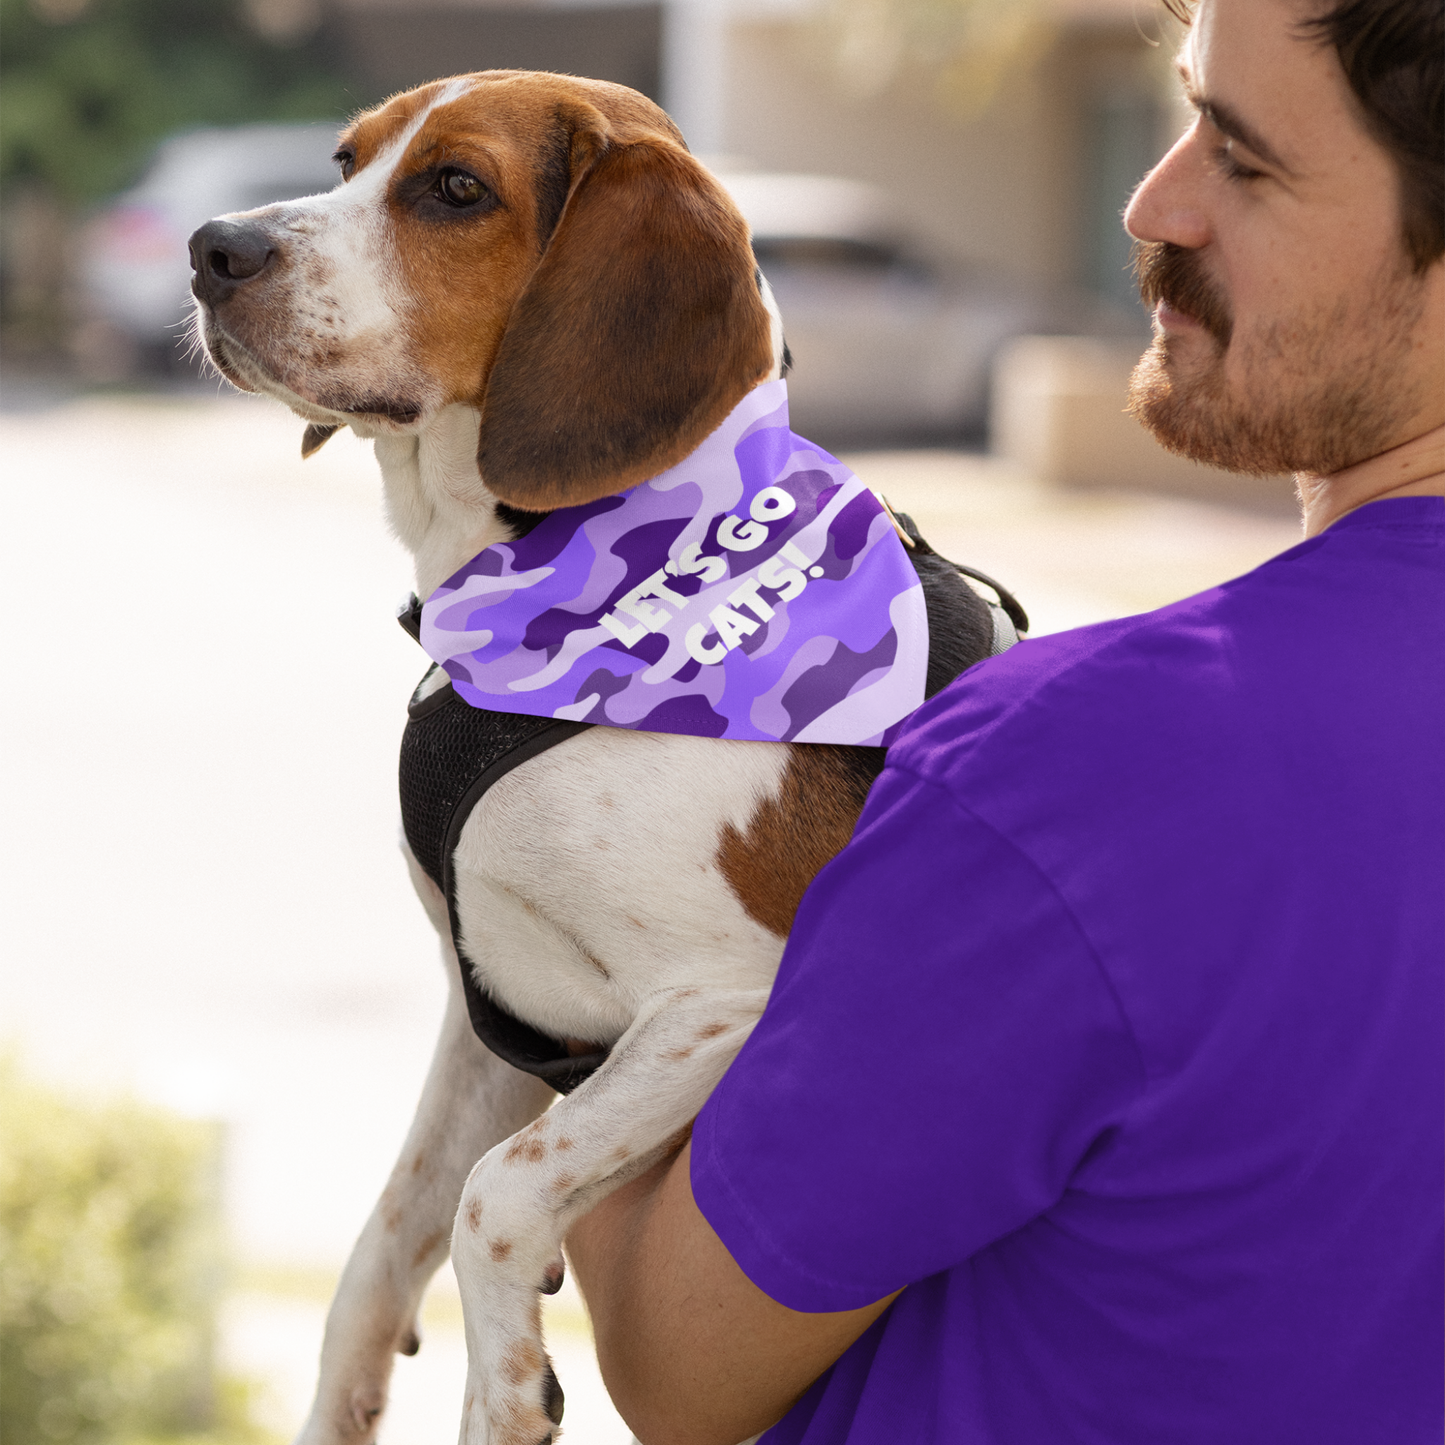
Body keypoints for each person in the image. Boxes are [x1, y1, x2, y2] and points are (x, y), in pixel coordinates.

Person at [565, 0, 1445, 1440]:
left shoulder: (1084, 773)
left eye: (1242, 154)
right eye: (1182, 112)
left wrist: (554, 867)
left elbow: (675, 1361)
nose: (1153, 199)